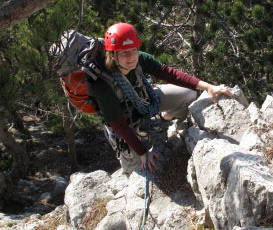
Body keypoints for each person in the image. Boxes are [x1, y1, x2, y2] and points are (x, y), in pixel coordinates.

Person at [93, 22, 231, 174]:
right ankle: (128, 169)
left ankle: (166, 117)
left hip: (143, 102)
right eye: (124, 52)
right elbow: (119, 125)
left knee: (189, 94)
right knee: (136, 169)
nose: (132, 57)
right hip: (123, 121)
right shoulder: (103, 84)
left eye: (134, 50)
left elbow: (168, 73)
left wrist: (207, 87)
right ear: (112, 55)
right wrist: (143, 153)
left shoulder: (140, 60)